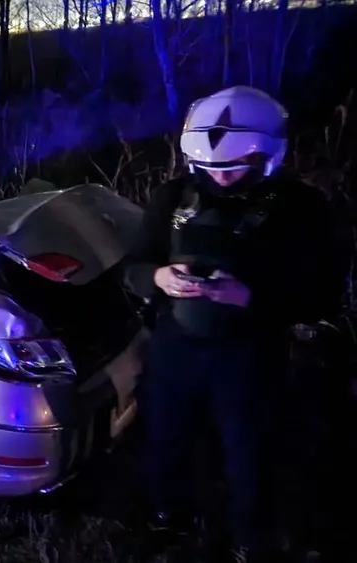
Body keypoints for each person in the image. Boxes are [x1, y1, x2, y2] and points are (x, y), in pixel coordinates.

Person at [123, 86, 345, 561]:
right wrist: (160, 277)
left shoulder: (301, 208)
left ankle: (250, 537)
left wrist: (251, 296)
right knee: (164, 437)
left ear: (269, 155)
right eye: (209, 167)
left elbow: (323, 293)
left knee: (250, 451)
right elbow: (135, 266)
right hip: (175, 348)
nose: (220, 177)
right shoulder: (172, 198)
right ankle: (168, 518)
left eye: (234, 166)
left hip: (249, 355)